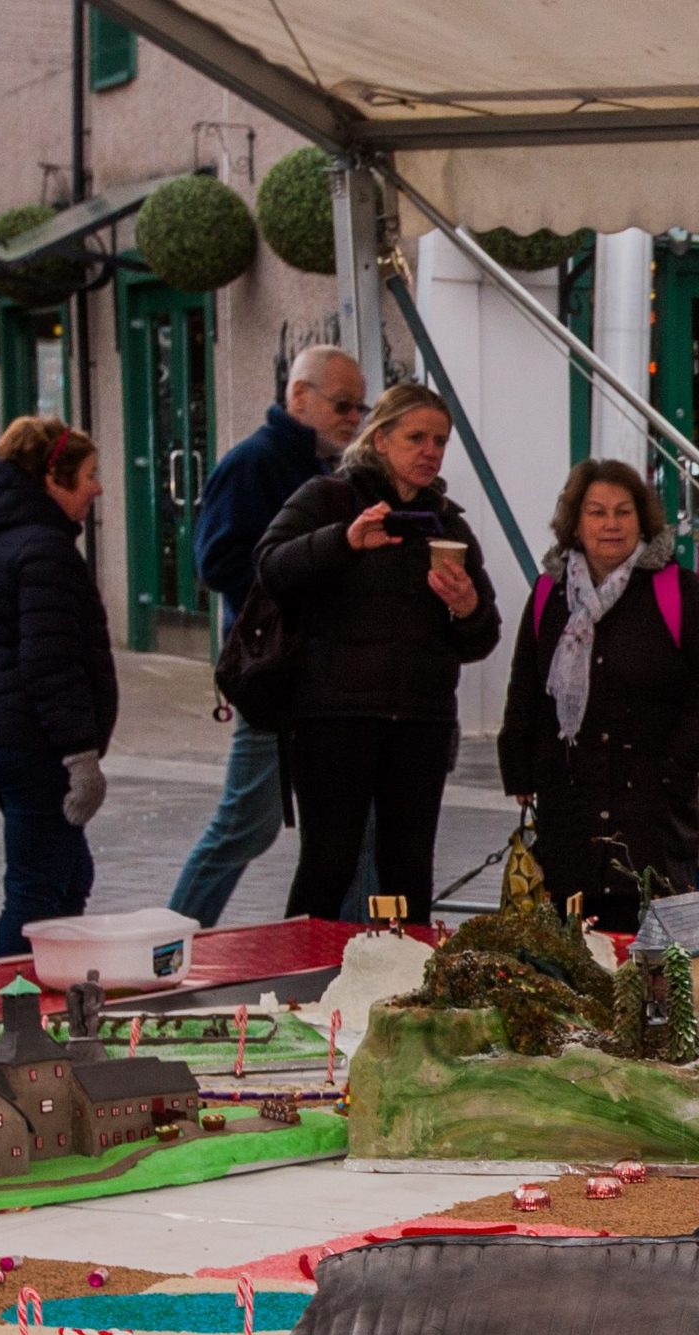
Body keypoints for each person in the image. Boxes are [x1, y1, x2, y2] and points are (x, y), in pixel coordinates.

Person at [252, 382, 500, 927]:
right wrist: (344, 541)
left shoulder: (448, 525)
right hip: (334, 715)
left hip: (420, 720)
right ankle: (300, 986)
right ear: (381, 440)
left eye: (440, 440)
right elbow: (271, 566)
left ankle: (403, 985)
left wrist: (467, 605)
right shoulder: (328, 498)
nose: (430, 451)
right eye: (416, 437)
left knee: (409, 869)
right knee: (327, 864)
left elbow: (482, 638)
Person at [169, 344, 369, 928]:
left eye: (360, 407)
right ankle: (169, 943)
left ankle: (352, 947)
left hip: (318, 674)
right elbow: (217, 562)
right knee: (245, 824)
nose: (353, 418)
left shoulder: (328, 466)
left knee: (347, 827)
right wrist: (298, 578)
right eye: (343, 404)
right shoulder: (255, 462)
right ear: (299, 396)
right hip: (275, 673)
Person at [498, 459, 699, 935]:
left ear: (641, 520)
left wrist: (681, 760)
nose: (611, 524)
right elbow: (526, 679)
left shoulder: (677, 589)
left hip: (652, 797)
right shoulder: (550, 591)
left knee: (653, 924)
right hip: (570, 795)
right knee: (572, 927)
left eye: (623, 512)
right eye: (596, 512)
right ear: (575, 523)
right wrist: (520, 765)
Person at [0, 416, 117, 959]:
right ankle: (10, 1007)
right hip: (32, 744)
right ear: (55, 477)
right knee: (37, 891)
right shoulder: (44, 549)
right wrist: (80, 756)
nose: (97, 487)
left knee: (68, 872)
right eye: (89, 475)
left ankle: (48, 995)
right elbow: (51, 662)